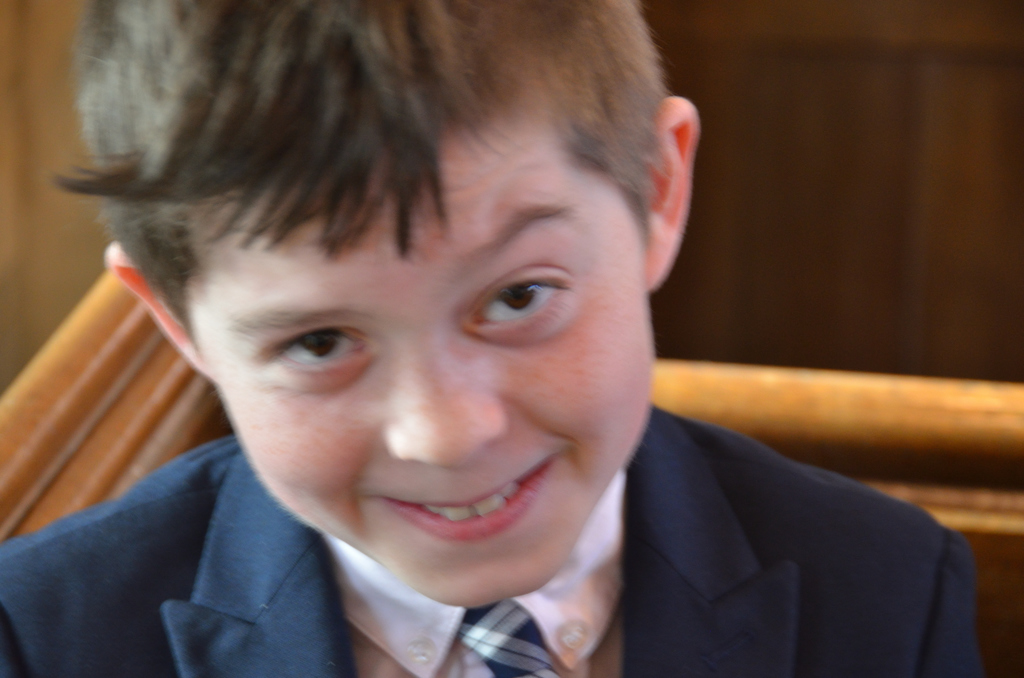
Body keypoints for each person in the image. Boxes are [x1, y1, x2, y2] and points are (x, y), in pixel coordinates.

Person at [0, 0, 982, 676]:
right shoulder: (46, 637)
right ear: (177, 323)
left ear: (655, 190)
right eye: (320, 342)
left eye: (517, 297)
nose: (446, 434)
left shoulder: (888, 592)